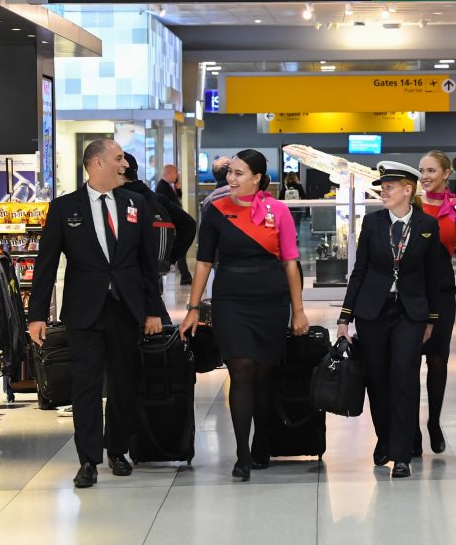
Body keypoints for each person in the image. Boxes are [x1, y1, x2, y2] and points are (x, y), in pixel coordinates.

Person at [28, 139, 167, 488]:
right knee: (86, 386)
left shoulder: (135, 203)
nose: (125, 164)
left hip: (125, 308)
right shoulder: (64, 208)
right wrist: (37, 315)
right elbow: (46, 265)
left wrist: (153, 310)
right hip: (84, 311)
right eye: (118, 158)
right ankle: (88, 459)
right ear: (97, 163)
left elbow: (148, 264)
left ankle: (117, 450)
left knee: (123, 383)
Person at [179, 149, 309, 481]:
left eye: (238, 173)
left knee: (264, 376)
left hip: (270, 299)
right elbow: (205, 263)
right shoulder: (215, 211)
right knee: (241, 370)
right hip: (231, 299)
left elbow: (291, 264)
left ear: (257, 178)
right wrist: (193, 308)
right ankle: (242, 453)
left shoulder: (277, 210)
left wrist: (299, 311)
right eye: (229, 173)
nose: (230, 179)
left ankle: (262, 441)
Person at [335, 162, 446, 479]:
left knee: (404, 377)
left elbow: (432, 275)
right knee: (377, 379)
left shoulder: (427, 225)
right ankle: (384, 438)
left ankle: (401, 454)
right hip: (373, 311)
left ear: (408, 190)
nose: (383, 192)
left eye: (389, 187)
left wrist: (432, 318)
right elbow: (359, 271)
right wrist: (345, 316)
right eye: (382, 188)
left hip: (410, 312)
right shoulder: (371, 224)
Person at [415, 150, 456, 455]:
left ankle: (434, 422)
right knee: (408, 360)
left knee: (438, 359)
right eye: (421, 171)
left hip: (442, 290)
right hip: (411, 293)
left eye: (431, 170)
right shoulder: (410, 201)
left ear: (446, 174)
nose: (425, 176)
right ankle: (410, 429)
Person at [119, 152, 196, 286]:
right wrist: (168, 259)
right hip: (152, 275)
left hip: (122, 277)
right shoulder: (156, 198)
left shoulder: (117, 199)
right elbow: (189, 224)